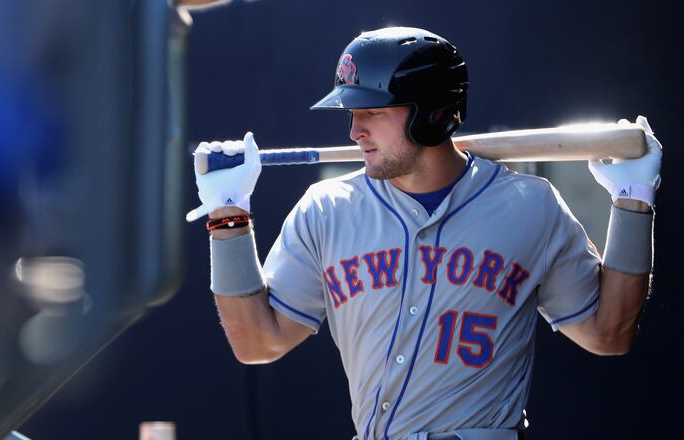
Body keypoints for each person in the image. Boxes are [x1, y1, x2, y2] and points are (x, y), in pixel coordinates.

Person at [187, 27, 661, 440]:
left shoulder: (530, 206)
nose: (354, 130)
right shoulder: (326, 209)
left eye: (373, 111)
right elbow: (257, 344)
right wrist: (228, 214)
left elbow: (608, 334)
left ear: (432, 113)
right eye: (351, 114)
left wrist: (632, 199)